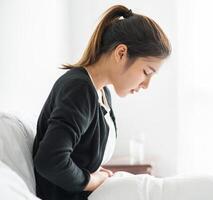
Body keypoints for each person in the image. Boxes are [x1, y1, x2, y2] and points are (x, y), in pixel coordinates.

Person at [32, 4, 171, 200]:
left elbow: (77, 156)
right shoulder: (79, 89)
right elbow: (50, 160)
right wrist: (91, 180)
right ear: (121, 53)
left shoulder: (102, 92)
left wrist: (96, 174)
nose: (146, 85)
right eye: (146, 72)